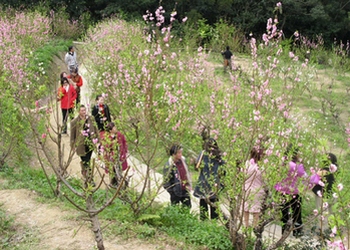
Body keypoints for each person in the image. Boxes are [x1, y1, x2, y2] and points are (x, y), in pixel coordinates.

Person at [274, 144, 307, 237]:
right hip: (294, 192)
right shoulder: (297, 166)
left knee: (284, 213)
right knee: (297, 213)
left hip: (281, 191)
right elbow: (303, 176)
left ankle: (284, 232)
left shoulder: (281, 163)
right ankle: (297, 232)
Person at [193, 138, 225, 220]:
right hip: (214, 183)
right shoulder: (219, 156)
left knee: (203, 203)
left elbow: (197, 166)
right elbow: (223, 170)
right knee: (214, 204)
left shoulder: (203, 153)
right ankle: (214, 223)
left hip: (203, 181)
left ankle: (204, 222)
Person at [70, 105, 99, 181]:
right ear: (79, 112)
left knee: (88, 160)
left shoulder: (91, 119)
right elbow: (72, 135)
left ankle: (86, 173)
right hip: (80, 145)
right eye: (82, 110)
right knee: (85, 160)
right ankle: (89, 177)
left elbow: (96, 129)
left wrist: (98, 139)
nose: (84, 112)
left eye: (84, 110)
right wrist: (72, 145)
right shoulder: (74, 122)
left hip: (89, 143)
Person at [311, 153, 337, 232]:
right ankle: (333, 230)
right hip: (333, 193)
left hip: (322, 194)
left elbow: (312, 179)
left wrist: (317, 172)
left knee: (323, 213)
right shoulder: (335, 170)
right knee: (332, 213)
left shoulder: (323, 171)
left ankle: (323, 231)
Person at [100, 122, 128, 188]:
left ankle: (120, 184)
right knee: (113, 171)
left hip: (119, 156)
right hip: (111, 157)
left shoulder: (119, 134)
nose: (115, 128)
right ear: (110, 130)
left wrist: (125, 150)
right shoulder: (106, 137)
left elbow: (124, 142)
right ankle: (113, 184)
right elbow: (106, 147)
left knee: (119, 170)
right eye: (114, 127)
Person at [163, 144, 192, 208]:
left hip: (185, 189)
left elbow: (187, 173)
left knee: (187, 207)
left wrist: (188, 184)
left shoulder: (183, 161)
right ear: (173, 154)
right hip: (175, 191)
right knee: (175, 208)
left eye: (181, 152)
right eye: (179, 153)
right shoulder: (169, 165)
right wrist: (172, 191)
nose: (180, 154)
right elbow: (166, 181)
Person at [243, 147, 265, 227]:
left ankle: (246, 225)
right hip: (258, 190)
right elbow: (265, 179)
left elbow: (243, 175)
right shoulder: (261, 166)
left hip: (247, 189)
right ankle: (255, 226)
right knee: (256, 210)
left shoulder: (246, 164)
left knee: (246, 208)